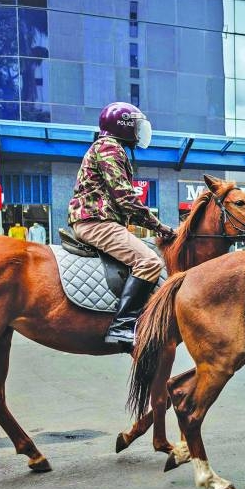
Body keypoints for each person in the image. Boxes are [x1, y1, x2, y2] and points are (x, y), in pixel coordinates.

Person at [67, 101, 176, 348]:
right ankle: (122, 325)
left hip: (97, 220)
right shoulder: (109, 147)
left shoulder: (109, 148)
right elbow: (125, 197)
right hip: (97, 222)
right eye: (137, 127)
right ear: (124, 126)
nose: (140, 133)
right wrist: (160, 228)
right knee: (149, 261)